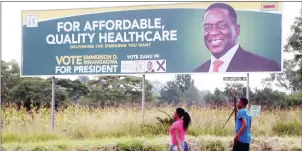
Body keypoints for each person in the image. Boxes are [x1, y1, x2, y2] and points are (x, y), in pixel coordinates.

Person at [194, 3, 281, 72]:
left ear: (236, 30)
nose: (213, 32)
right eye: (207, 27)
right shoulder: (198, 71)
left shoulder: (265, 67)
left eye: (221, 25)